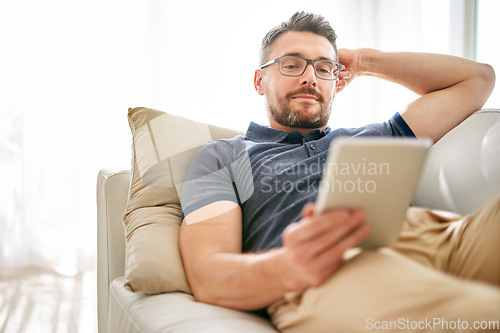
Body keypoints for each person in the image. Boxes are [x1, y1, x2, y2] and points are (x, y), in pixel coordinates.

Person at [179, 11, 499, 332]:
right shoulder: (223, 155)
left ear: (337, 82)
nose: (310, 78)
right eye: (292, 64)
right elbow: (209, 275)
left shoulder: (373, 136)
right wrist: (290, 265)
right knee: (481, 313)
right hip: (324, 276)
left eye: (323, 68)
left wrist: (363, 61)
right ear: (259, 81)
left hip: (437, 237)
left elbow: (478, 80)